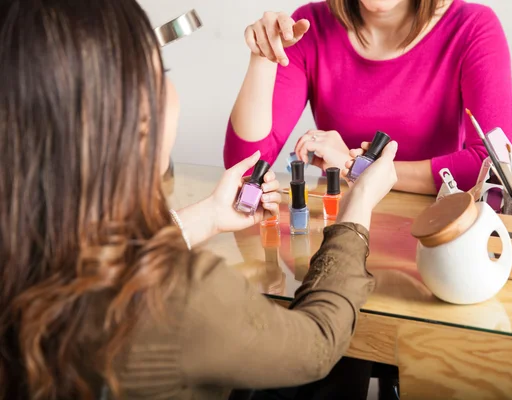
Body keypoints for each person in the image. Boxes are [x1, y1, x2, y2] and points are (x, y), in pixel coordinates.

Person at [0, 1, 399, 399]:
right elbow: (318, 344)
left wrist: (205, 217)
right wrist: (357, 207)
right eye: (163, 74)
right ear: (136, 120)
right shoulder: (176, 296)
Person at [224, 0, 512, 195]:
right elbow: (245, 168)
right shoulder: (308, 26)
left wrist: (355, 170)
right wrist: (264, 55)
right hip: (340, 227)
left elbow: (496, 169)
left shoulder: (472, 27)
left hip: (435, 234)